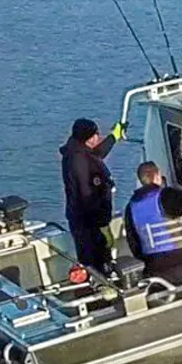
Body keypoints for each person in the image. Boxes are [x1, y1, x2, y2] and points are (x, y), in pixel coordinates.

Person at [60, 117, 124, 273]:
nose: (98, 137)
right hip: (88, 223)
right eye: (96, 134)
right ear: (88, 137)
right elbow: (87, 194)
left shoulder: (80, 151)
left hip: (89, 220)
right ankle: (100, 287)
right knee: (95, 261)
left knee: (102, 257)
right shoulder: (78, 160)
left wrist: (114, 137)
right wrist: (102, 222)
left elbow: (97, 154)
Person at [124, 161, 182, 286]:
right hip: (180, 257)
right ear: (157, 176)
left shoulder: (131, 207)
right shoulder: (166, 195)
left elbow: (133, 241)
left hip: (154, 264)